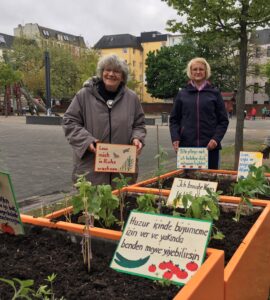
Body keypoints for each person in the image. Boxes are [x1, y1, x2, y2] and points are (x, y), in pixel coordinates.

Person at [63, 54, 146, 186]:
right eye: (107, 70)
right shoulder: (84, 95)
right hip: (91, 168)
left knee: (121, 204)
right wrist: (87, 141)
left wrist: (137, 138)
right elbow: (70, 121)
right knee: (92, 204)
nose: (111, 74)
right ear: (102, 72)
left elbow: (139, 124)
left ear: (123, 76)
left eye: (116, 71)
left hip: (122, 170)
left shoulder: (132, 98)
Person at [169, 57, 229, 169]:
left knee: (209, 183)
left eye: (201, 69)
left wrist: (216, 139)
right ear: (190, 72)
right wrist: (175, 137)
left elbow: (223, 121)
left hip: (209, 148)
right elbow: (174, 120)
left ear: (206, 72)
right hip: (187, 149)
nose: (198, 72)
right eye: (195, 69)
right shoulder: (182, 94)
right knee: (188, 183)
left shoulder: (214, 93)